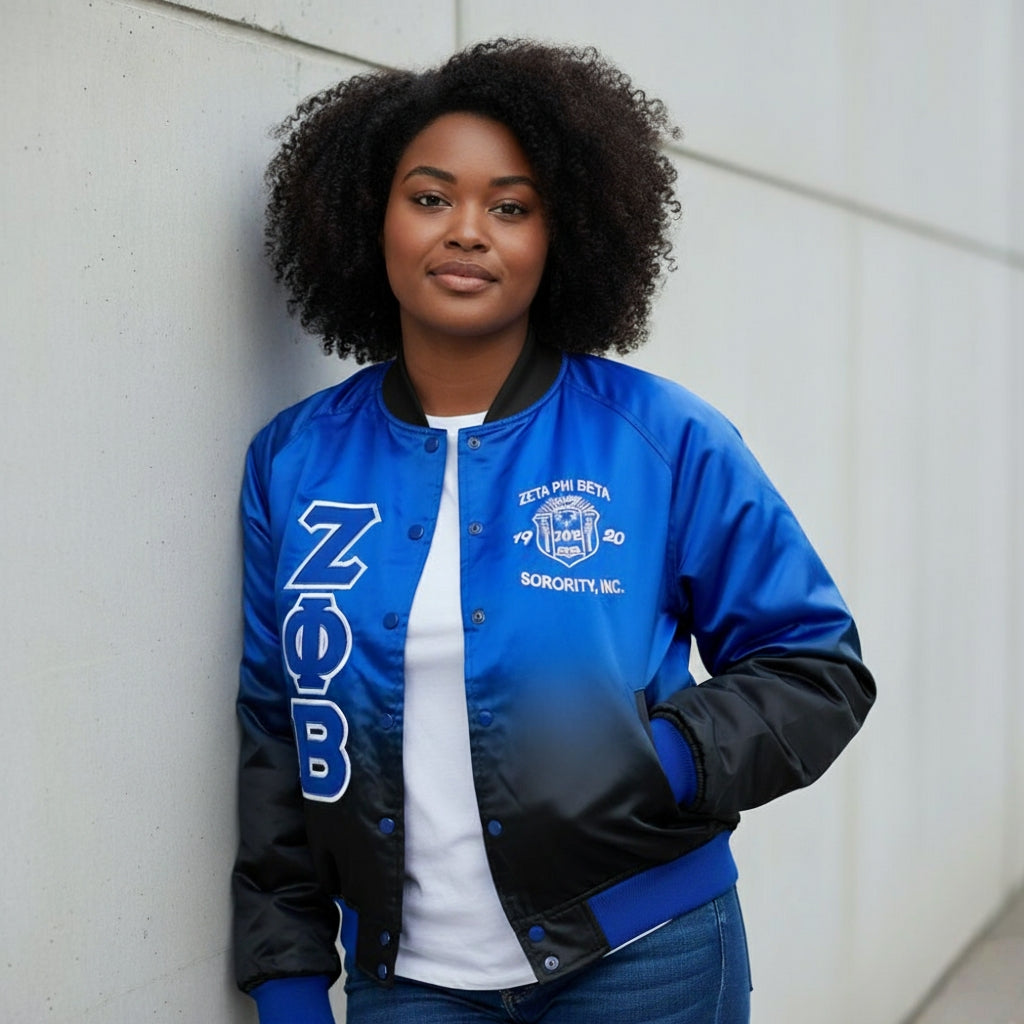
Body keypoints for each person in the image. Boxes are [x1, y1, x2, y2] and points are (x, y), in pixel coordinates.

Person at [232, 39, 875, 1024]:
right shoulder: (294, 461)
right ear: (373, 218)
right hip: (407, 980)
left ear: (559, 235)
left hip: (643, 956)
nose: (468, 232)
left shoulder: (659, 438)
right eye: (431, 196)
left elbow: (816, 667)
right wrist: (284, 975)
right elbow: (279, 734)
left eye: (512, 206)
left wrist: (661, 756)